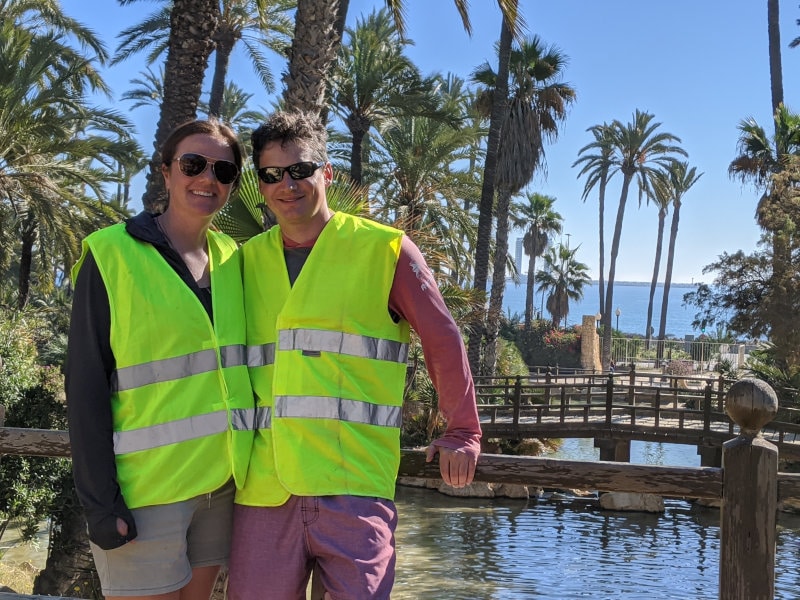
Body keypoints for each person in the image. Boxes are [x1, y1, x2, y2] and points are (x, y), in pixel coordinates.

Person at [228, 110, 482, 600]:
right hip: (264, 490)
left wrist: (463, 431)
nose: (288, 184)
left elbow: (442, 337)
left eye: (301, 170)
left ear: (326, 172)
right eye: (272, 174)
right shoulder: (243, 261)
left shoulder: (385, 250)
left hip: (354, 487)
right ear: (260, 184)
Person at [65, 119, 254, 600]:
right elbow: (85, 388)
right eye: (193, 164)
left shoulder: (235, 259)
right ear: (166, 171)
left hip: (220, 491)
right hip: (145, 495)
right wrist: (100, 505)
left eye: (224, 171)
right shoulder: (110, 254)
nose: (207, 179)